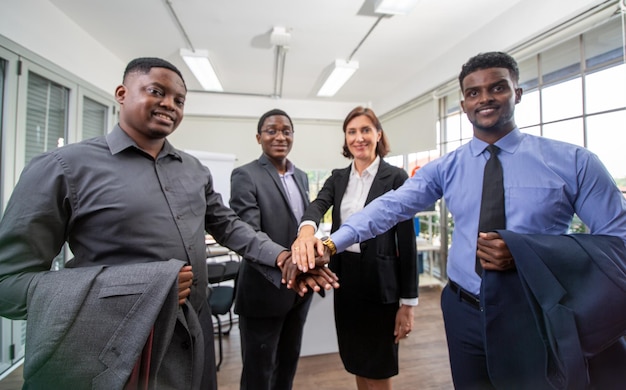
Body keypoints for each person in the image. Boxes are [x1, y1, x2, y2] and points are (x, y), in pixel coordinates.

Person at [290, 52, 626, 389]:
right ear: (464, 103)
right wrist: (332, 243)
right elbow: (389, 208)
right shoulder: (447, 168)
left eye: (498, 88)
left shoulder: (574, 162)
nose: (486, 99)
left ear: (518, 93)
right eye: (474, 93)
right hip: (464, 310)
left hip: (535, 311)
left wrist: (527, 253)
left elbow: (618, 244)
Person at [0, 57, 325, 389]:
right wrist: (143, 285)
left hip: (194, 339)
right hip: (115, 350)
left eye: (179, 100)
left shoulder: (194, 170)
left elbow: (229, 226)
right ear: (122, 93)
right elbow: (8, 285)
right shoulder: (62, 167)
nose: (169, 104)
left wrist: (283, 257)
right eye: (156, 91)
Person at [290, 106, 418, 390]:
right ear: (345, 138)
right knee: (356, 359)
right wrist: (307, 229)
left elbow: (407, 244)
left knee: (379, 364)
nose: (358, 138)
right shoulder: (338, 177)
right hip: (345, 279)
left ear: (378, 135)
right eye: (352, 132)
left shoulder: (396, 178)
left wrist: (408, 304)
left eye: (365, 130)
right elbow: (318, 205)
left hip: (382, 283)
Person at [230, 109, 332, 389]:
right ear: (259, 137)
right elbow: (248, 234)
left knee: (287, 366)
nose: (280, 136)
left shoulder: (300, 176)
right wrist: (287, 264)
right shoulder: (245, 175)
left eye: (286, 130)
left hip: (298, 293)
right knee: (258, 374)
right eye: (272, 130)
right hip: (263, 291)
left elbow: (304, 226)